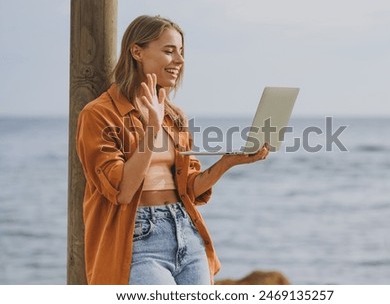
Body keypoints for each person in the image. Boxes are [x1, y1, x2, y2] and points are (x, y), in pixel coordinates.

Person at [76, 15, 269, 285]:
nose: (179, 60)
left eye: (181, 52)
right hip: (136, 241)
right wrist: (152, 129)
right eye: (169, 51)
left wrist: (228, 162)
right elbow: (123, 191)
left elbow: (188, 188)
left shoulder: (174, 116)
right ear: (137, 51)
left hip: (186, 232)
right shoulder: (99, 114)